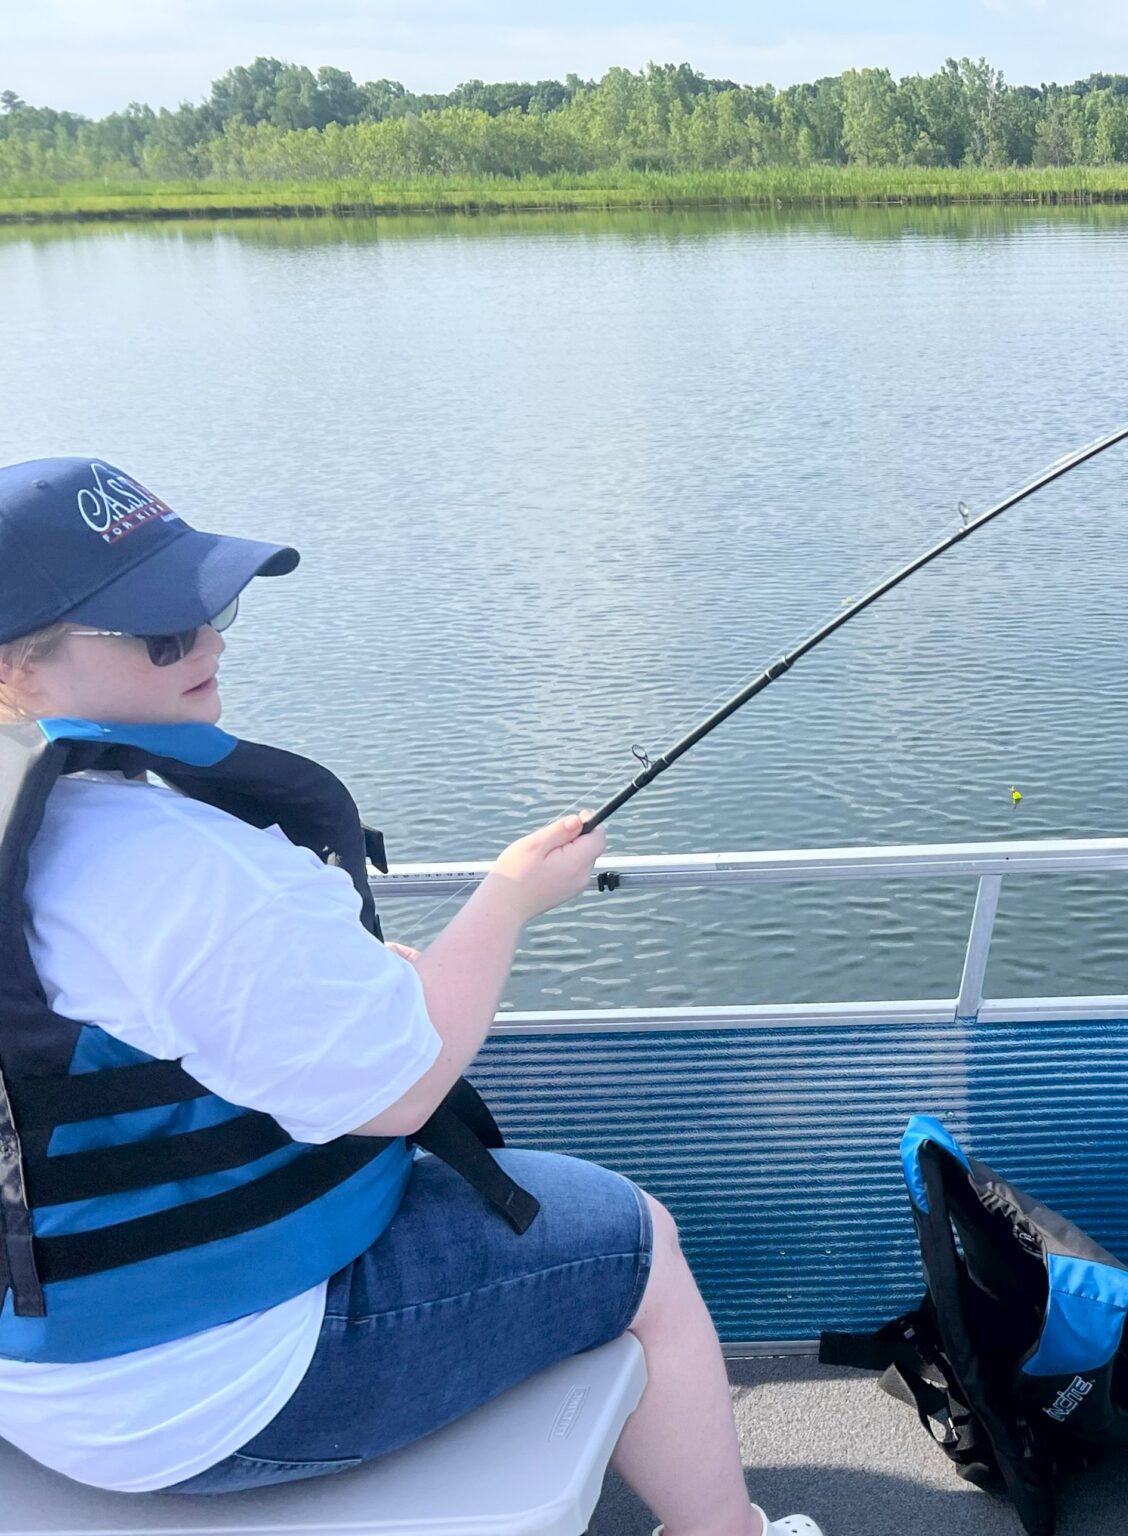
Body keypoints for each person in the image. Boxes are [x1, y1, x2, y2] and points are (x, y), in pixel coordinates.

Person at [0, 457, 820, 1536]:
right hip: (216, 1399)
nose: (209, 644)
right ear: (17, 674)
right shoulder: (171, 862)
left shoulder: (35, 829)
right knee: (637, 1239)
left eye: (209, 604)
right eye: (160, 631)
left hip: (41, 1378)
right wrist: (510, 900)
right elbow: (404, 1087)